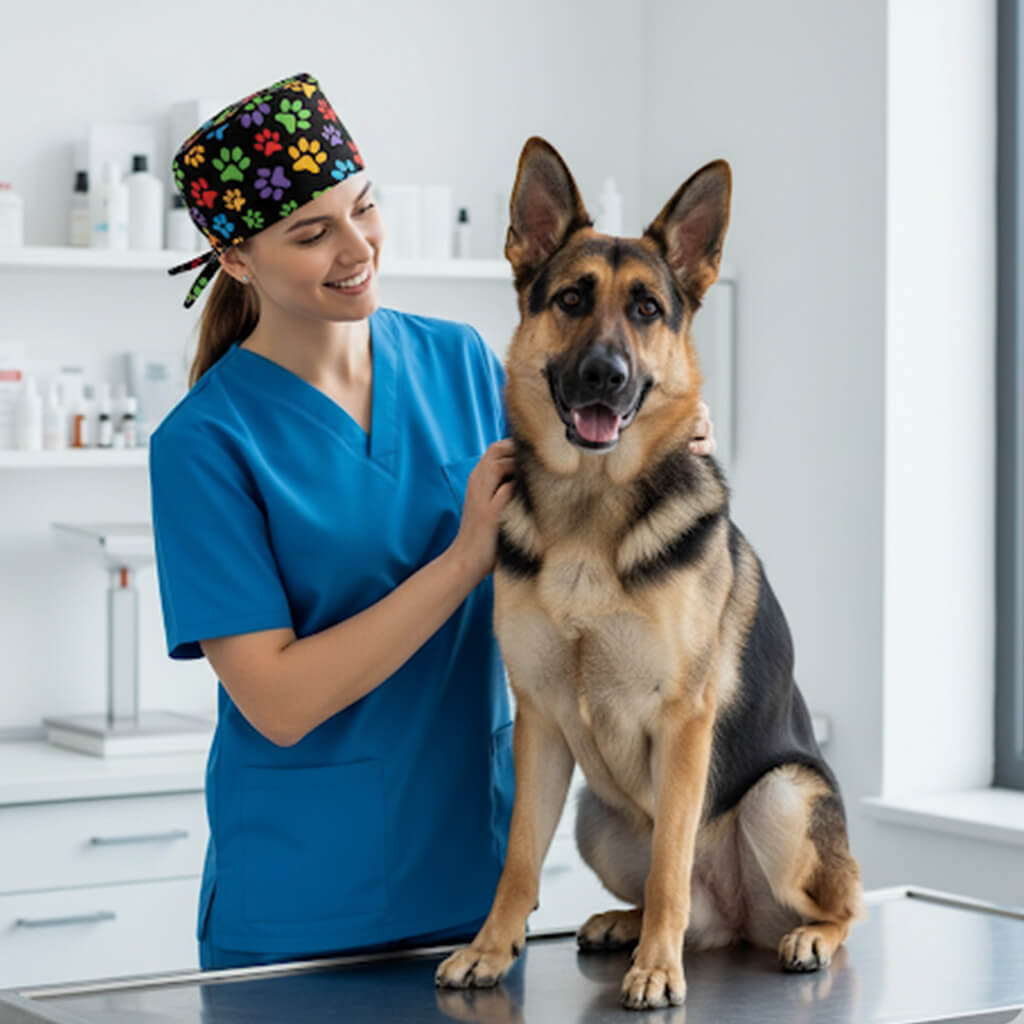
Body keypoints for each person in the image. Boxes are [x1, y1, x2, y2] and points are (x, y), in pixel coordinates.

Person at [151, 71, 716, 971]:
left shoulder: (462, 361)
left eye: (363, 209)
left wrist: (662, 424)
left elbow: (589, 476)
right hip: (302, 905)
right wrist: (460, 563)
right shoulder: (204, 443)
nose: (355, 247)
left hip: (475, 891)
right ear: (235, 259)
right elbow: (280, 702)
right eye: (310, 232)